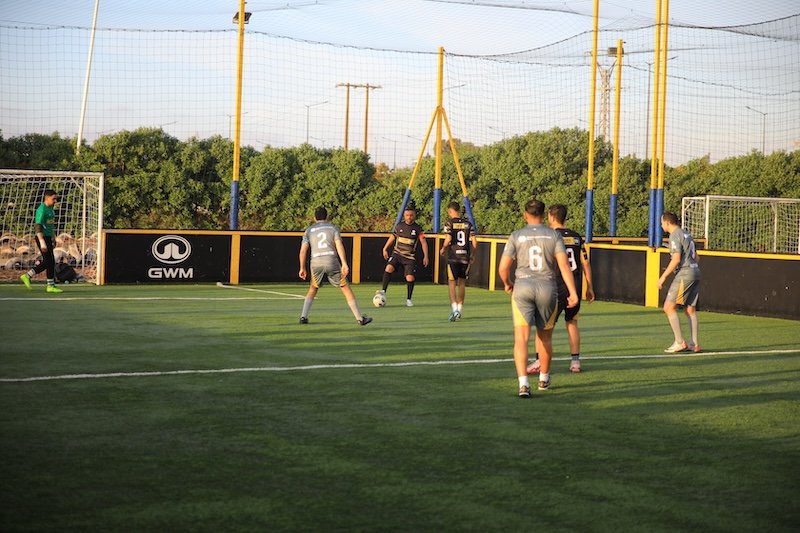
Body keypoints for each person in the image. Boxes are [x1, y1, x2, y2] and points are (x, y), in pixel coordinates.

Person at [498, 199, 578, 398]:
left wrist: (507, 283)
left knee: (521, 339)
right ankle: (543, 378)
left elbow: (503, 268)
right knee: (545, 337)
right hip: (547, 288)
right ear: (544, 215)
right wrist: (573, 292)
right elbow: (564, 266)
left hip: (523, 287)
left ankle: (523, 384)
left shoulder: (516, 235)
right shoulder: (554, 235)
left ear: (525, 214)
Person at [527, 204, 594, 374]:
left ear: (550, 216)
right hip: (575, 287)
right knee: (572, 323)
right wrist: (590, 287)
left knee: (543, 326)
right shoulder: (577, 237)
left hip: (555, 286)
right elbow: (586, 263)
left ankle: (539, 361)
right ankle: (575, 362)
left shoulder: (550, 236)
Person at [298, 207, 372, 326]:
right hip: (331, 260)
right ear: (327, 217)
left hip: (316, 262)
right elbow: (339, 245)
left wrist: (302, 268)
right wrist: (344, 263)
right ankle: (360, 318)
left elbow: (303, 251)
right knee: (345, 287)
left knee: (313, 288)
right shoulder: (333, 228)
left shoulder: (309, 230)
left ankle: (303, 317)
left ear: (314, 218)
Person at [658, 211, 701, 353]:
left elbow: (676, 259)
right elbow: (697, 257)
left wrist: (663, 277)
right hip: (695, 271)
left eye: (662, 222)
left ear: (667, 222)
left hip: (685, 273)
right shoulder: (686, 233)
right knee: (690, 309)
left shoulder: (674, 235)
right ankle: (694, 344)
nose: (661, 225)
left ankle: (679, 342)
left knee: (668, 307)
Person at [377, 204, 429, 307]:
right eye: (407, 215)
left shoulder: (418, 228)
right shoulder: (399, 226)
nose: (409, 217)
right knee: (388, 268)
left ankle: (409, 299)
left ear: (414, 216)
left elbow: (423, 242)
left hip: (409, 257)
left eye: (411, 215)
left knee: (410, 278)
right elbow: (392, 237)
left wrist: (426, 256)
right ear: (404, 216)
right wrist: (385, 248)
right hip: (397, 254)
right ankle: (383, 291)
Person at [439, 201, 478, 321]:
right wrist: (472, 255)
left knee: (452, 283)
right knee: (462, 283)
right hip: (465, 257)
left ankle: (454, 309)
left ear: (450, 211)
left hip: (453, 257)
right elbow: (475, 242)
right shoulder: (468, 224)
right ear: (459, 211)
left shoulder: (449, 223)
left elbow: (448, 239)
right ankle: (460, 310)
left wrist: (443, 249)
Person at [20, 189, 63, 293]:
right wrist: (42, 241)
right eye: (53, 199)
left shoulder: (51, 209)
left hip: (48, 237)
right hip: (42, 237)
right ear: (47, 198)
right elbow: (38, 226)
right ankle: (50, 286)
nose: (55, 201)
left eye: (56, 199)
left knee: (49, 261)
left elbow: (50, 225)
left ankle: (27, 276)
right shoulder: (42, 209)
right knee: (50, 262)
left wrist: (53, 237)